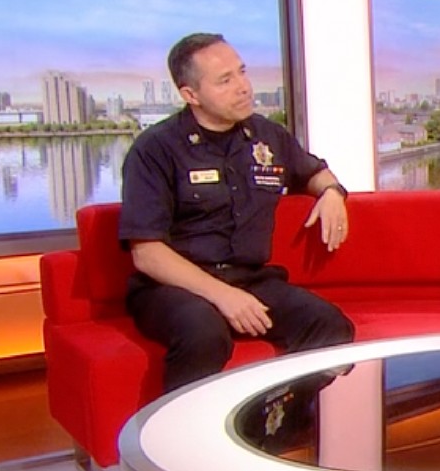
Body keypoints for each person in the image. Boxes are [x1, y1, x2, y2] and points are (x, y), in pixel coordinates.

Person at [119, 33, 355, 394]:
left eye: (242, 73)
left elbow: (314, 173)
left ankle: (281, 427)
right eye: (225, 81)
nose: (243, 87)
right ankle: (184, 446)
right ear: (190, 95)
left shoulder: (267, 136)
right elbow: (147, 253)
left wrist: (333, 193)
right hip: (173, 287)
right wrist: (222, 296)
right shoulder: (155, 149)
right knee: (204, 332)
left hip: (251, 279)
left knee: (329, 325)